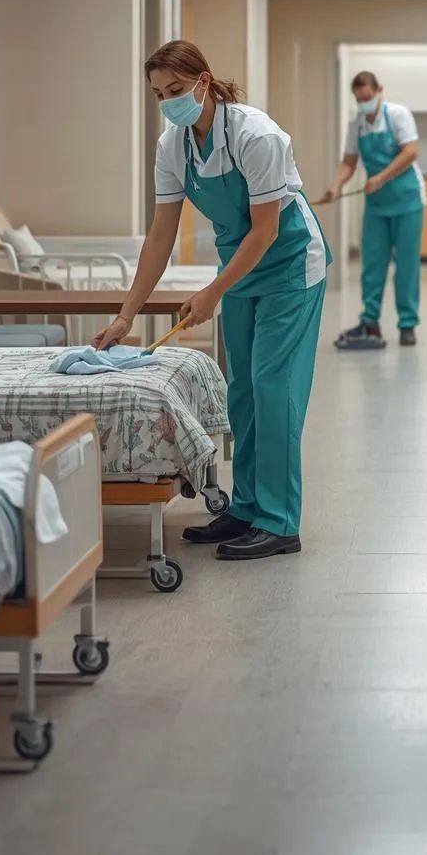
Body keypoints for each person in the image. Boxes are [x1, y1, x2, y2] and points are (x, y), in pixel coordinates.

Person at [93, 40, 329, 560]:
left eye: (176, 89)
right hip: (240, 269)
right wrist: (126, 314)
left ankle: (279, 521)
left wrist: (211, 293)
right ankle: (244, 509)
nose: (169, 101)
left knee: (274, 389)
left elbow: (266, 230)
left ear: (204, 80)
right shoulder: (172, 146)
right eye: (159, 94)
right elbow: (161, 235)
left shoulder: (256, 135)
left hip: (290, 266)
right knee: (241, 390)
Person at [324, 70, 426, 347]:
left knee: (406, 265)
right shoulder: (356, 124)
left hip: (407, 201)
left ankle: (407, 325)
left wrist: (380, 177)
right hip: (377, 206)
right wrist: (336, 187)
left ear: (379, 90)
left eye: (367, 98)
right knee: (372, 265)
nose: (364, 103)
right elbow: (348, 163)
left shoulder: (397, 115)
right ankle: (370, 322)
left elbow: (411, 152)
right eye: (359, 99)